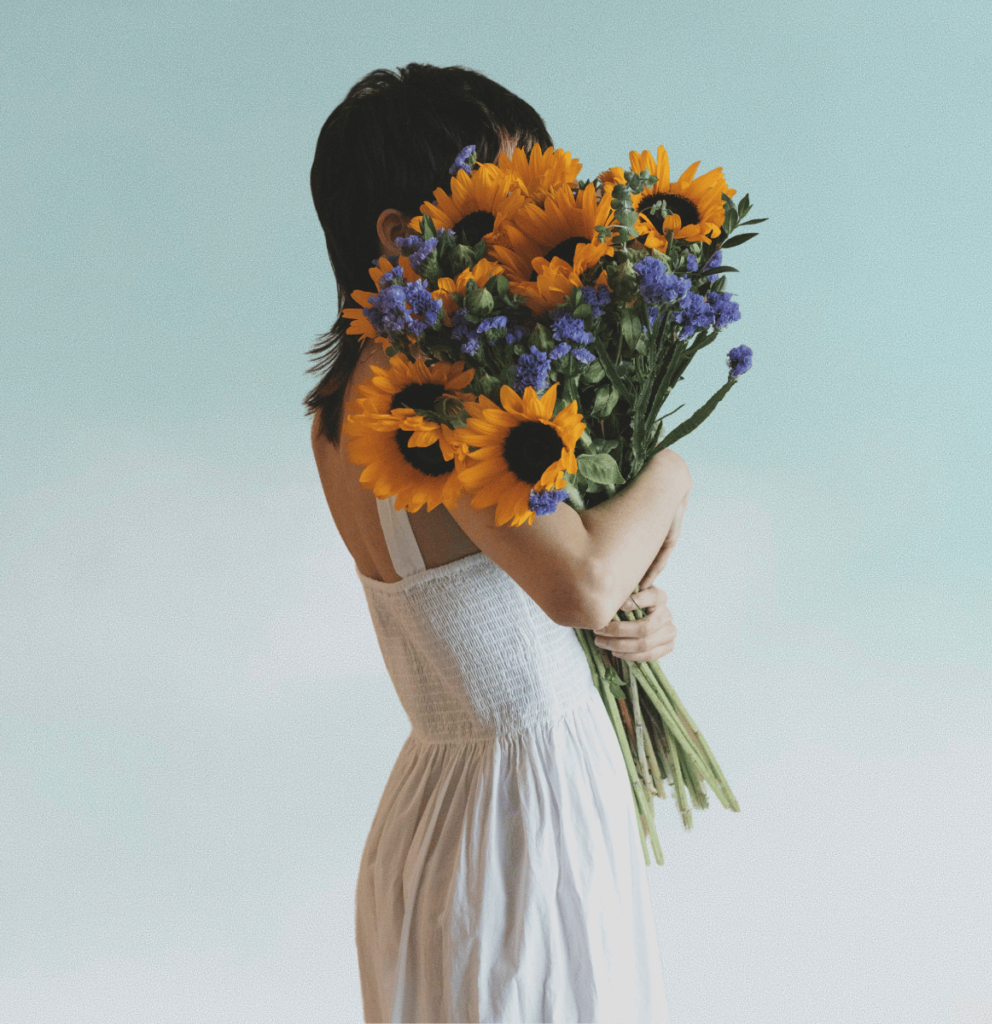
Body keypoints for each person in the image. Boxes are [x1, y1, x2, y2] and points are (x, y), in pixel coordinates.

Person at [306, 63, 691, 1024]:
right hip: (526, 817)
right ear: (403, 235)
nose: (527, 230)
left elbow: (517, 591)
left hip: (447, 802)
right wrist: (674, 474)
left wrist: (636, 612)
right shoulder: (439, 401)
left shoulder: (348, 407)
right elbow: (582, 587)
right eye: (502, 206)